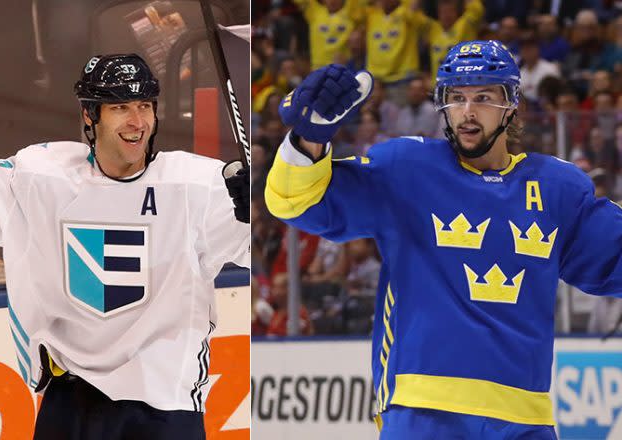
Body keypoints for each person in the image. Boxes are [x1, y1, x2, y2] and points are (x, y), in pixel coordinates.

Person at [0, 34, 250, 440]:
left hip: (163, 411)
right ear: (90, 117)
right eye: (120, 107)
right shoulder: (42, 178)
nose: (137, 120)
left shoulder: (201, 186)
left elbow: (275, 252)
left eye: (144, 106)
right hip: (71, 405)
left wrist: (261, 213)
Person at [265, 41, 622, 438]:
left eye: (483, 97)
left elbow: (614, 257)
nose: (467, 112)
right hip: (423, 413)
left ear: (512, 104)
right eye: (456, 98)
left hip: (526, 420)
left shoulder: (558, 188)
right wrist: (307, 141)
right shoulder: (407, 169)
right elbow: (295, 203)